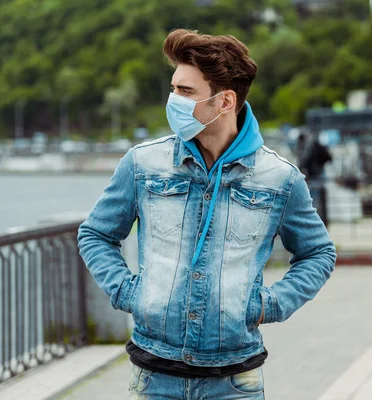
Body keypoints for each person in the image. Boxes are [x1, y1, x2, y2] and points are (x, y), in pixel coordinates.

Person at [77, 29, 336, 399]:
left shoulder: (280, 179)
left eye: (185, 92)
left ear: (225, 101)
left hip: (234, 383)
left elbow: (318, 253)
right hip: (153, 378)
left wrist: (269, 304)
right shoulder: (142, 164)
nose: (173, 100)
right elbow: (96, 234)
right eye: (173, 88)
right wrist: (128, 292)